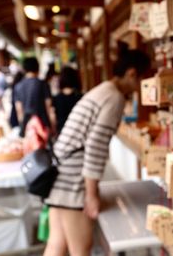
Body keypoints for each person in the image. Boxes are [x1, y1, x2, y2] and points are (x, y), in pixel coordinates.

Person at [43, 44, 150, 256]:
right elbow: (95, 148)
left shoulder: (103, 89)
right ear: (132, 74)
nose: (142, 86)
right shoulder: (114, 98)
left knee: (57, 245)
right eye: (143, 79)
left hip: (60, 172)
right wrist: (91, 194)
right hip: (74, 181)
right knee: (80, 249)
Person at [14, 57, 53, 136]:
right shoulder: (43, 84)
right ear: (37, 67)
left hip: (26, 125)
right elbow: (48, 106)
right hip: (43, 124)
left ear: (24, 69)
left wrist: (23, 126)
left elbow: (19, 109)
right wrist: (51, 126)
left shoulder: (18, 86)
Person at [53, 66, 82, 133]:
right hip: (78, 131)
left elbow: (54, 117)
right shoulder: (80, 97)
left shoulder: (56, 98)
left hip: (62, 132)